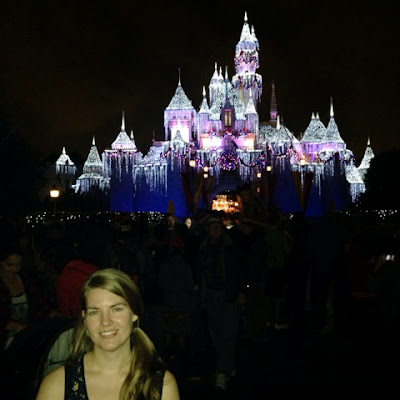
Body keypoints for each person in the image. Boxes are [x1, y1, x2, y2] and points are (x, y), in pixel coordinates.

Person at [35, 268, 179, 400]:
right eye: (94, 312)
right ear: (85, 319)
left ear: (134, 314)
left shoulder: (159, 385)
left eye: (116, 309)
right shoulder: (57, 385)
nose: (105, 322)